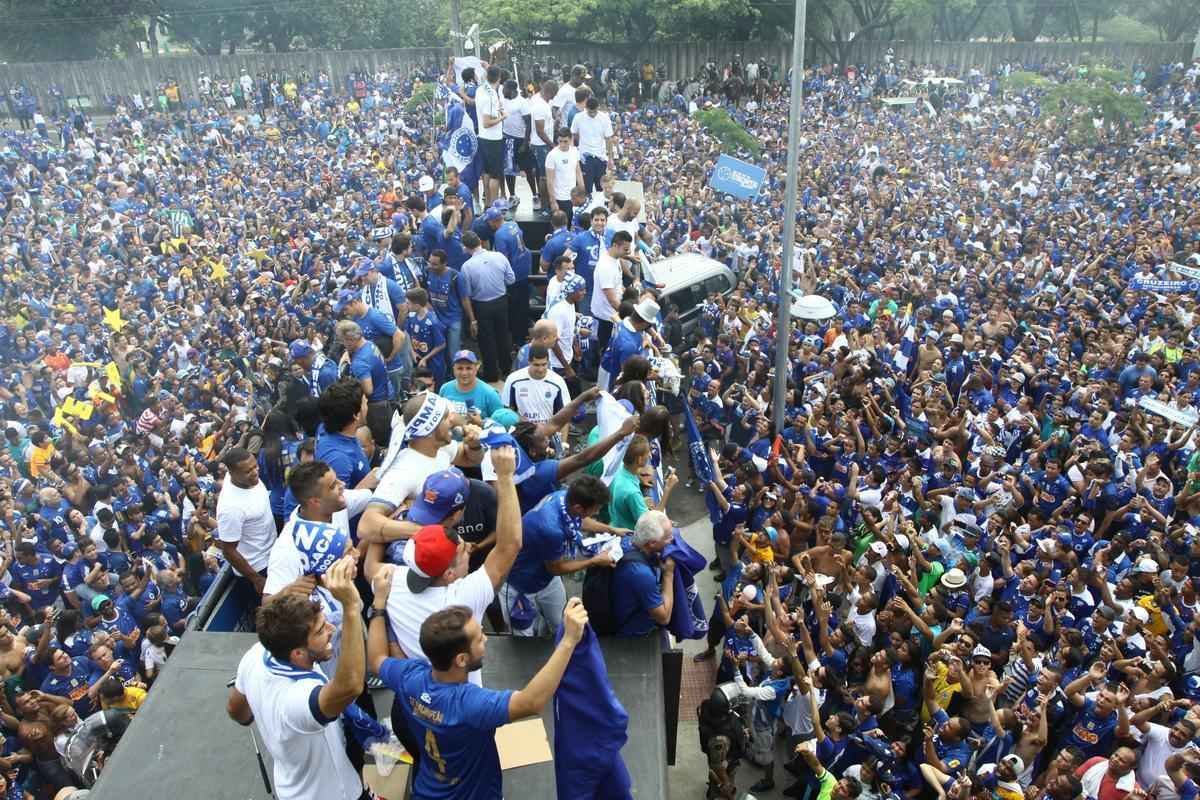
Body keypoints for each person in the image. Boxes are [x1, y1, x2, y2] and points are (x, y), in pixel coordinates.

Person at [367, 565, 590, 799]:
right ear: (461, 659)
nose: (485, 637)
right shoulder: (469, 705)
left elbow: (376, 660)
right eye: (479, 638)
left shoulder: (409, 678)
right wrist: (568, 641)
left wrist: (379, 603)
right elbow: (531, 702)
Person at [226, 556, 372, 800]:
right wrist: (352, 608)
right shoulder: (297, 698)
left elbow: (236, 709)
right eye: (320, 630)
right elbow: (350, 686)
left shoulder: (255, 655)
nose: (331, 631)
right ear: (297, 653)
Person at [500, 476, 614, 636]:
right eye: (596, 508)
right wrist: (594, 561)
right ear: (579, 508)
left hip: (546, 580)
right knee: (524, 640)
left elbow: (580, 521)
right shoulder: (551, 530)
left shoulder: (564, 496)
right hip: (520, 586)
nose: (597, 512)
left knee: (561, 624)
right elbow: (557, 568)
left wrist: (611, 530)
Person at [216, 447, 277, 596]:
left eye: (255, 466)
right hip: (258, 568)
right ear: (232, 473)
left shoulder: (250, 478)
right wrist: (256, 579)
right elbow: (228, 550)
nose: (255, 472)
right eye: (248, 471)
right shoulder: (230, 507)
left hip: (273, 553)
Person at [460, 231, 515, 384]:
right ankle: (506, 368)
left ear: (465, 248)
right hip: (501, 302)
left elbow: (468, 293)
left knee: (486, 340)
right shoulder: (499, 256)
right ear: (479, 240)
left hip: (482, 305)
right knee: (503, 335)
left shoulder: (467, 267)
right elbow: (511, 279)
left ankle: (491, 374)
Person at [612, 509, 676, 637]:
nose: (672, 539)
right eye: (668, 537)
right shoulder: (641, 574)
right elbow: (664, 618)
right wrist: (669, 575)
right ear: (652, 543)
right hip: (634, 631)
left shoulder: (628, 540)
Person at [570, 95, 615, 195]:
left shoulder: (604, 118)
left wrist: (611, 158)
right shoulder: (578, 117)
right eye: (590, 112)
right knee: (586, 188)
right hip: (585, 157)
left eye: (594, 111)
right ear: (586, 108)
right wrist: (573, 152)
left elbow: (609, 139)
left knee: (601, 188)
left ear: (598, 108)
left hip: (600, 156)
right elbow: (572, 134)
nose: (593, 114)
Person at [439, 350, 503, 418]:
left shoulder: (490, 394)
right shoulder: (445, 389)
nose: (464, 373)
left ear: (476, 369)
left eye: (468, 368)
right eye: (460, 368)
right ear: (454, 369)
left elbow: (500, 423)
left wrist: (481, 423)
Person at [545, 127, 583, 218]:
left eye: (565, 141)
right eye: (560, 141)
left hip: (573, 197)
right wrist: (553, 201)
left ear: (570, 139)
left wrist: (582, 191)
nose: (562, 144)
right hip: (559, 198)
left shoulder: (575, 151)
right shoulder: (552, 155)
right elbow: (549, 180)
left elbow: (578, 172)